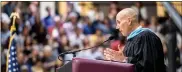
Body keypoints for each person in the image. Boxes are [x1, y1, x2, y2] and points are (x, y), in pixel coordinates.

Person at [104, 8, 166, 72]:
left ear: (129, 21)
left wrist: (124, 60)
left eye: (119, 22)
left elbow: (148, 67)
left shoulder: (146, 37)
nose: (117, 27)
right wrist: (118, 61)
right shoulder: (132, 40)